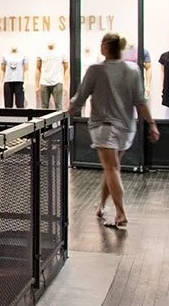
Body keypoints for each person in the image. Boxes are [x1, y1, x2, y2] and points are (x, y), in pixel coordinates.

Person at [68, 32, 159, 229]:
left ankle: (120, 214)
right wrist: (151, 123)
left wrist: (66, 113)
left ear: (105, 47)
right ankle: (101, 205)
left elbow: (80, 97)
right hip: (126, 128)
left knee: (111, 168)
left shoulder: (96, 70)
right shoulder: (133, 70)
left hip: (104, 127)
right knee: (111, 168)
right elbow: (140, 101)